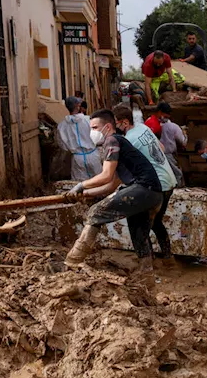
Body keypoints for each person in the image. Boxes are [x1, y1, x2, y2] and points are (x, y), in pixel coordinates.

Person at [63, 109, 164, 269]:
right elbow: (112, 185)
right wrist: (85, 194)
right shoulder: (120, 144)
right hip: (153, 194)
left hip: (143, 189)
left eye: (95, 128)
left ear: (108, 126)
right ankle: (147, 276)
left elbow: (106, 175)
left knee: (96, 212)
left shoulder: (112, 141)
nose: (92, 132)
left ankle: (73, 260)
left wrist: (81, 185)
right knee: (139, 235)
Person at [113, 105, 177, 258]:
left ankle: (148, 264)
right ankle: (168, 258)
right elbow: (161, 147)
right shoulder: (143, 127)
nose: (116, 126)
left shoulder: (128, 141)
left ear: (124, 122)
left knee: (140, 225)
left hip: (156, 185)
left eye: (116, 122)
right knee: (156, 222)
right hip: (169, 180)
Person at [57, 96, 102, 181]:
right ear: (78, 106)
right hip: (92, 155)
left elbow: (62, 144)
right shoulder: (89, 120)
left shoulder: (62, 125)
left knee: (80, 185)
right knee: (99, 181)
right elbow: (98, 136)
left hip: (77, 158)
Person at [157, 106, 187, 188]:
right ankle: (177, 191)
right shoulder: (173, 126)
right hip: (168, 154)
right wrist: (184, 133)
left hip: (156, 155)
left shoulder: (154, 125)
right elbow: (183, 142)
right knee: (177, 174)